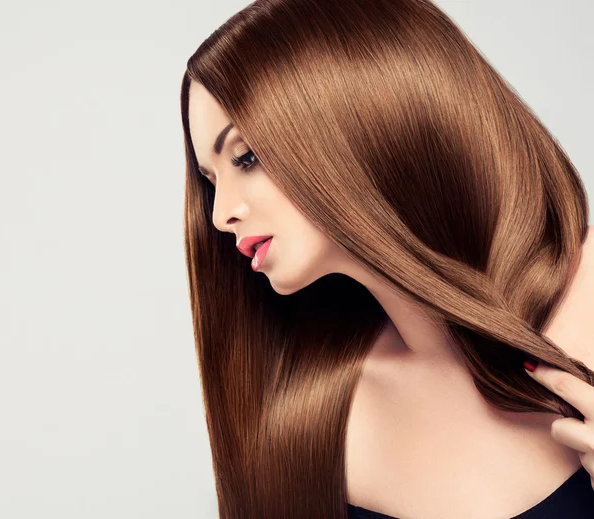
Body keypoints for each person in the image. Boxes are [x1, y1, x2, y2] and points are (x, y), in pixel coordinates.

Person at [179, 0, 594, 517]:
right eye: (211, 180)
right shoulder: (316, 418)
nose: (220, 216)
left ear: (362, 118)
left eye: (247, 157)